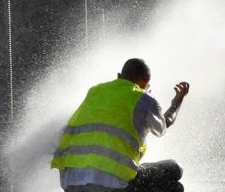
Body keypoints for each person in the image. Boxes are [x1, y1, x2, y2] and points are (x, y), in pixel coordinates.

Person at [51, 58, 190, 192]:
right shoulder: (143, 99)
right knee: (175, 171)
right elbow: (164, 126)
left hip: (71, 186)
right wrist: (177, 102)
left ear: (119, 76)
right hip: (112, 187)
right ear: (146, 85)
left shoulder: (94, 92)